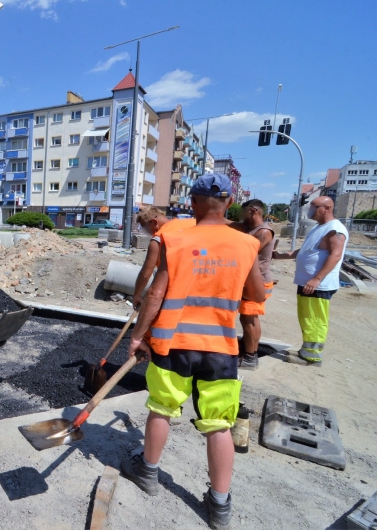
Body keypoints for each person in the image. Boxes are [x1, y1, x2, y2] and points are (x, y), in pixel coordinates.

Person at [122, 173, 264, 530]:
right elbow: (258, 294)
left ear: (192, 203)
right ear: (229, 202)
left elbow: (156, 294)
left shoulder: (176, 240)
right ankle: (219, 506)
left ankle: (147, 473)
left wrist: (138, 336)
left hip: (173, 343)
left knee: (161, 408)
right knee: (218, 424)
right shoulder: (246, 244)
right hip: (220, 348)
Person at [272, 195, 348, 366]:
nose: (311, 211)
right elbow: (305, 251)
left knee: (315, 320)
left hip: (318, 285)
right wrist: (280, 256)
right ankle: (306, 351)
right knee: (307, 318)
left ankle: (311, 357)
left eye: (315, 207)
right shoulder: (319, 228)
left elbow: (335, 256)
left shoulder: (335, 230)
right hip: (308, 282)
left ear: (327, 208)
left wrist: (317, 279)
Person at [229, 199, 276, 370]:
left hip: (257, 282)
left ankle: (250, 357)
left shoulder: (264, 232)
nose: (241, 216)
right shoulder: (250, 228)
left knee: (249, 319)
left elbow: (245, 253)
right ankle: (249, 351)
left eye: (243, 212)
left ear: (253, 211)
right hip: (250, 282)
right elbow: (229, 223)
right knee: (247, 318)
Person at [132, 205, 196, 309]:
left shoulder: (159, 238)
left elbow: (145, 274)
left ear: (154, 222)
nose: (149, 234)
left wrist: (137, 295)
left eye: (147, 230)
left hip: (180, 292)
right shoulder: (192, 223)